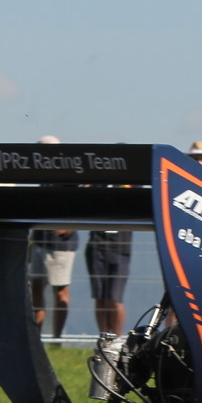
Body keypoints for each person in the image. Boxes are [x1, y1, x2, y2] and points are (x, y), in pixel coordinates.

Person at [29, 135, 78, 339]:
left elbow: (81, 204)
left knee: (60, 290)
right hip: (40, 241)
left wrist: (68, 228)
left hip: (60, 245)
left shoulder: (67, 177)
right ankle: (37, 335)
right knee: (36, 287)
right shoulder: (43, 178)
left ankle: (57, 337)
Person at [86, 229, 132, 335]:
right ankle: (104, 338)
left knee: (115, 299)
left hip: (121, 250)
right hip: (97, 247)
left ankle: (117, 338)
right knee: (100, 298)